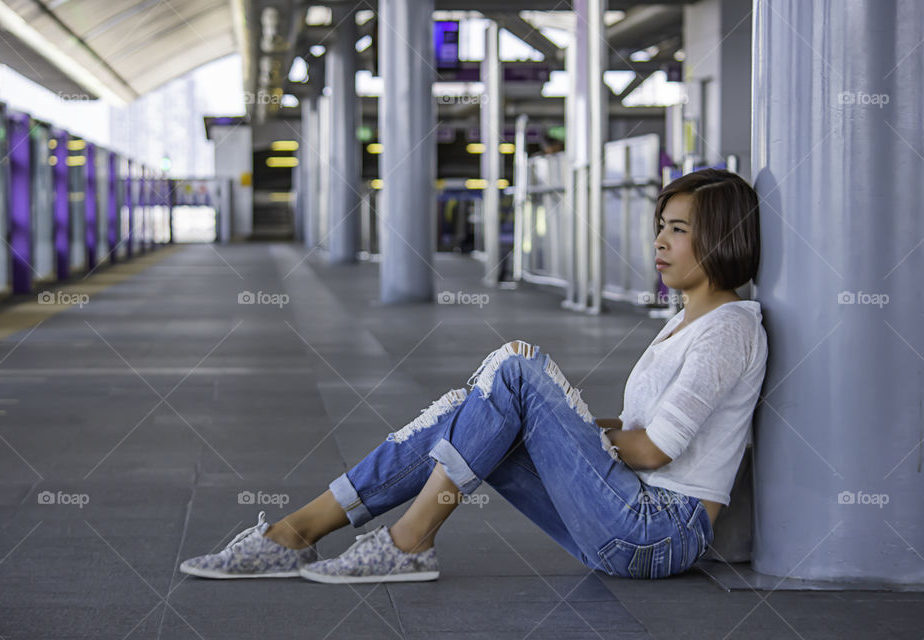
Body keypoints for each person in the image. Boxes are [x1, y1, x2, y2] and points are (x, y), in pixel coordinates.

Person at [180, 168, 768, 583]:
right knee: (480, 414)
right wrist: (559, 430)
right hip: (627, 519)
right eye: (661, 224)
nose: (660, 240)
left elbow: (655, 450)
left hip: (659, 533)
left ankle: (400, 542)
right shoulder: (686, 322)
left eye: (680, 229)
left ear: (721, 237)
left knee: (515, 372)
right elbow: (633, 436)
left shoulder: (727, 329)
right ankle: (300, 532)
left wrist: (568, 432)